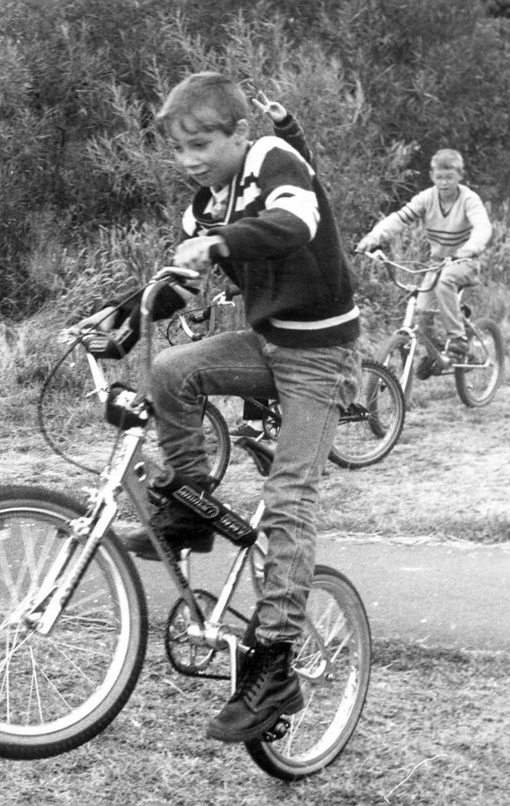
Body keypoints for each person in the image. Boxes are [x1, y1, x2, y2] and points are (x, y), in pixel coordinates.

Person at [119, 75, 360, 743]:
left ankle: (275, 663)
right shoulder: (206, 205)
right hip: (267, 341)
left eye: (201, 143)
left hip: (320, 355)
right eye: (177, 149)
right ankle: (189, 503)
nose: (190, 159)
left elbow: (294, 222)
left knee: (289, 499)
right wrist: (116, 318)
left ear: (237, 135)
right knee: (172, 370)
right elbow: (180, 283)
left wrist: (222, 244)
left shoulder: (273, 164)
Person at [355, 149, 493, 360]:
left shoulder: (468, 199)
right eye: (439, 177)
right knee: (421, 313)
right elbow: (399, 219)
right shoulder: (427, 198)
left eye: (450, 177)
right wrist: (372, 238)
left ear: (460, 176)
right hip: (437, 263)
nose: (444, 182)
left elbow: (482, 226)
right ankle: (436, 355)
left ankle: (458, 340)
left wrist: (470, 248)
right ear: (432, 176)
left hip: (465, 261)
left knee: (445, 281)